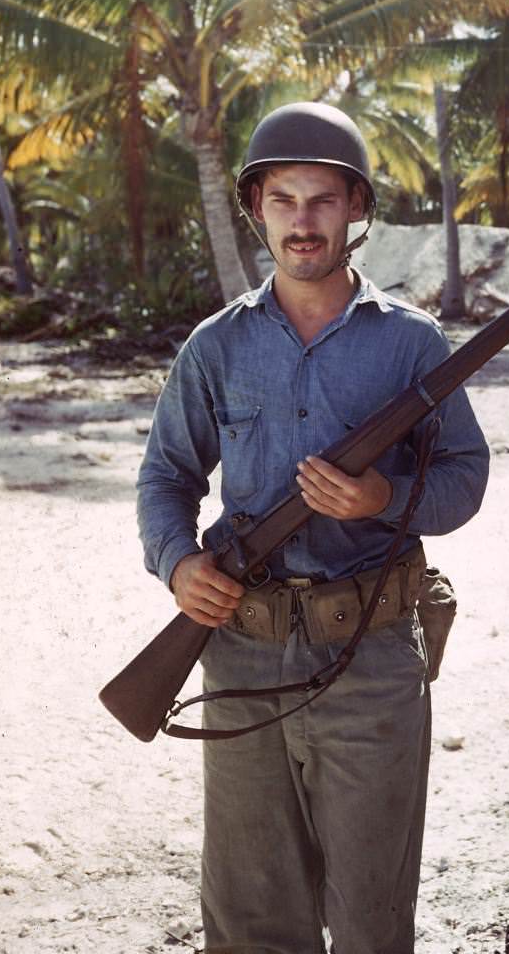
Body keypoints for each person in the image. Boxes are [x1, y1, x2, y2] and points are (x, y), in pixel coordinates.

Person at [136, 101, 490, 954]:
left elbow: (465, 477)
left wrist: (380, 501)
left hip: (368, 651)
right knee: (254, 914)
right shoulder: (215, 347)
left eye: (324, 199)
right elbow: (166, 478)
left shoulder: (411, 344)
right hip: (242, 647)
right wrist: (180, 564)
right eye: (285, 200)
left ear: (356, 211)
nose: (304, 221)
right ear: (256, 208)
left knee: (371, 916)